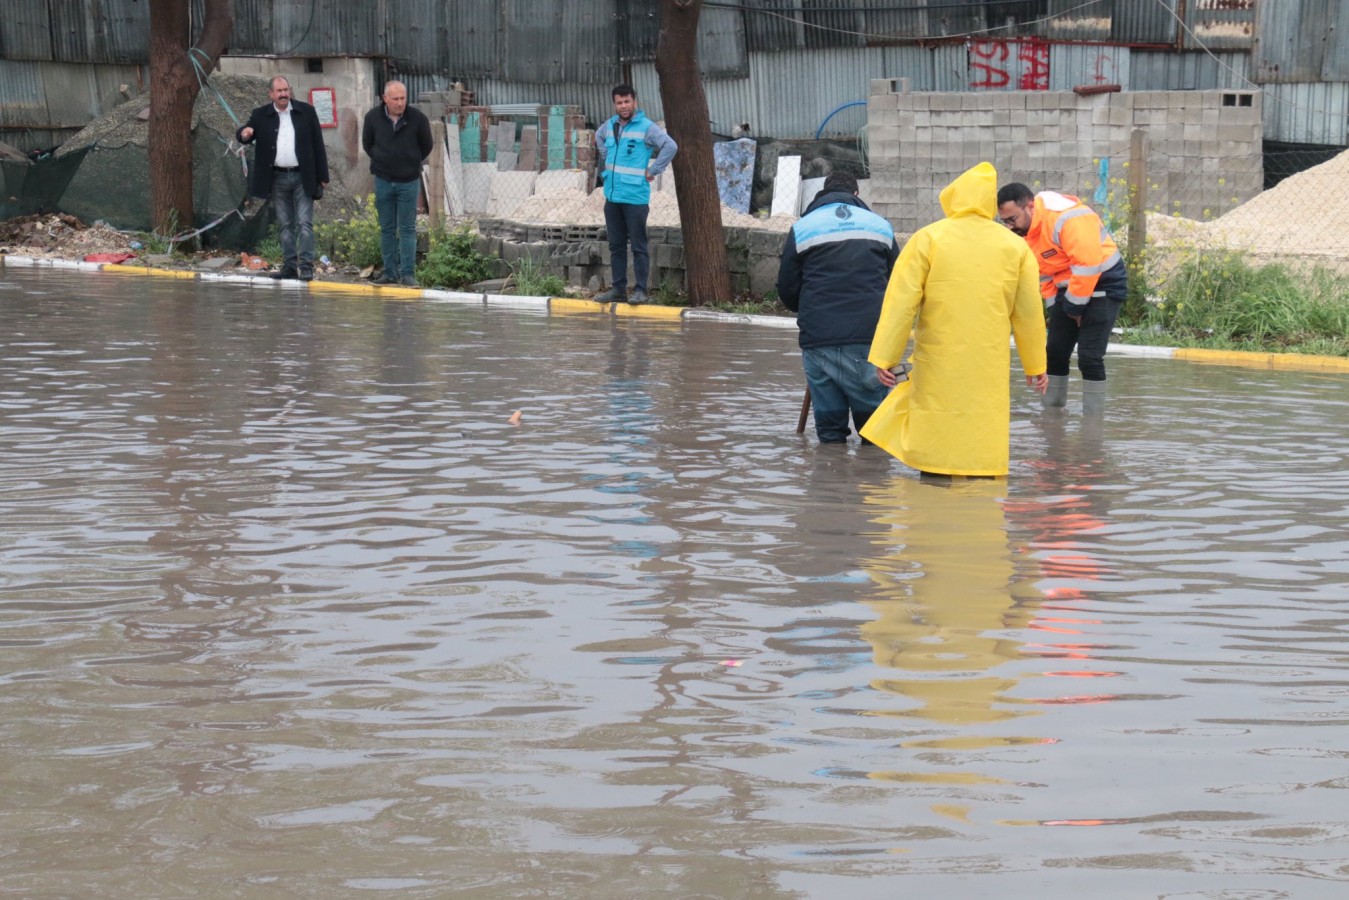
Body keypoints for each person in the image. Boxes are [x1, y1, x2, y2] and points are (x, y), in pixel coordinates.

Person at [861, 162, 1048, 478]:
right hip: (988, 366)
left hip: (937, 363)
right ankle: (980, 486)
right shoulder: (1016, 247)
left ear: (952, 197)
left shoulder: (928, 239)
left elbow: (900, 305)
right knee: (981, 442)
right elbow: (1029, 315)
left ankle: (934, 481)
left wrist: (885, 357)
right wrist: (1036, 365)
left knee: (936, 438)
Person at [776, 171, 899, 444]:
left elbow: (787, 286)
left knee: (830, 434)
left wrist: (809, 312)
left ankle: (829, 469)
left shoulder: (802, 227)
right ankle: (872, 471)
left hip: (818, 339)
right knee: (875, 435)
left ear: (822, 193)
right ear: (856, 194)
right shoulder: (881, 226)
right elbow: (898, 283)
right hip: (868, 340)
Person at [996, 182, 1128, 414]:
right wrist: (1056, 311)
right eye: (1004, 221)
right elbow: (1045, 275)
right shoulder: (1027, 233)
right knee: (1055, 351)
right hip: (1070, 286)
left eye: (1012, 219)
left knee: (1089, 356)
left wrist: (1073, 310)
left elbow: (1087, 265)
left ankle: (1093, 422)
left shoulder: (1068, 218)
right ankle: (1052, 415)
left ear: (1030, 207)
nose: (1009, 227)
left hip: (1104, 282)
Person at [237, 75, 329, 282]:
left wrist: (323, 176)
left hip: (303, 176)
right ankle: (289, 267)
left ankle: (306, 267)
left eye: (286, 90)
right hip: (277, 178)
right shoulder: (261, 115)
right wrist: (245, 132)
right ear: (271, 94)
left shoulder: (306, 111)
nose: (283, 94)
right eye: (279, 91)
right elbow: (245, 133)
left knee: (304, 223)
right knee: (285, 224)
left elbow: (318, 143)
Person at [594, 85, 677, 305]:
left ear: (634, 103)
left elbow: (670, 146)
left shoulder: (646, 127)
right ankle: (618, 290)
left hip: (635, 199)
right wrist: (606, 155)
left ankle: (641, 291)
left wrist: (653, 170)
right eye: (619, 103)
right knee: (616, 247)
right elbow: (597, 137)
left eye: (627, 102)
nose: (623, 106)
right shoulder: (609, 125)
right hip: (612, 198)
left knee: (639, 247)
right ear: (615, 104)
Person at [362, 80, 433, 286]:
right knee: (387, 228)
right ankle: (390, 273)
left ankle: (407, 274)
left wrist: (410, 161)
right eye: (395, 99)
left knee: (407, 228)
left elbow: (426, 145)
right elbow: (367, 144)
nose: (400, 103)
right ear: (385, 98)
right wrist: (382, 159)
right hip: (383, 181)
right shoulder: (372, 118)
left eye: (403, 98)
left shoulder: (418, 119)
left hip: (408, 182)